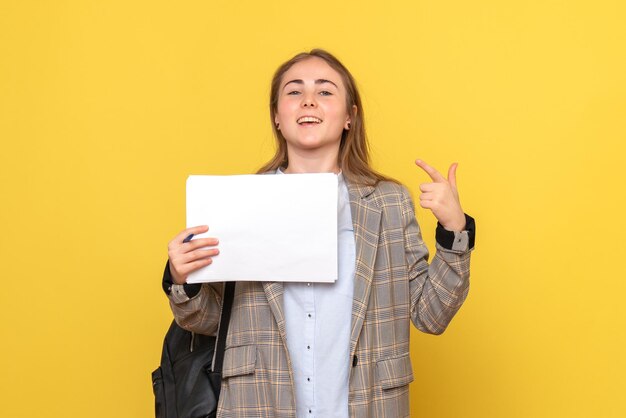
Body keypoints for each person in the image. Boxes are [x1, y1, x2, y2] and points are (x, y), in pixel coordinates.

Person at [163, 49, 475, 418]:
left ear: (349, 117)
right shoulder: (241, 201)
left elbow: (431, 314)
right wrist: (183, 279)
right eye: (294, 92)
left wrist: (454, 231)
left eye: (325, 91)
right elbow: (211, 321)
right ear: (277, 116)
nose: (308, 99)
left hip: (368, 407)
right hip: (258, 404)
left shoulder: (388, 203)